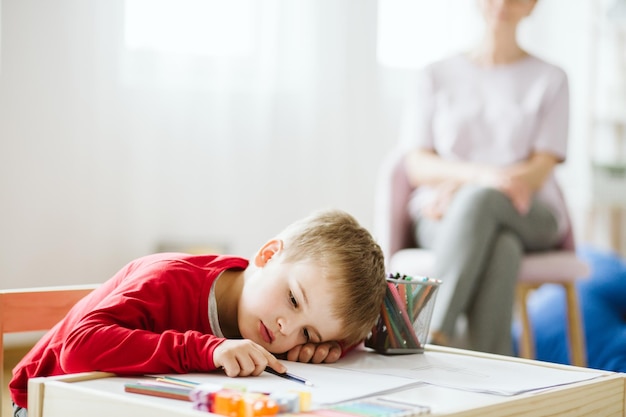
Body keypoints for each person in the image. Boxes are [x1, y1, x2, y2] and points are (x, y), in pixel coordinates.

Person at [9, 209, 387, 416]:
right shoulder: (167, 278)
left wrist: (333, 347)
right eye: (293, 299)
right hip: (51, 404)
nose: (287, 330)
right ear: (268, 255)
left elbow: (345, 332)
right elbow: (78, 349)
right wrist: (205, 349)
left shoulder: (270, 326)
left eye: (308, 334)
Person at [401, 0, 570, 355]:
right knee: (502, 247)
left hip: (528, 212)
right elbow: (417, 164)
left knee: (482, 202)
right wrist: (481, 177)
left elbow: (541, 168)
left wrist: (476, 188)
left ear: (533, 5)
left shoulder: (551, 78)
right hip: (441, 213)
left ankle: (427, 333)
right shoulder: (436, 73)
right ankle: (495, 384)